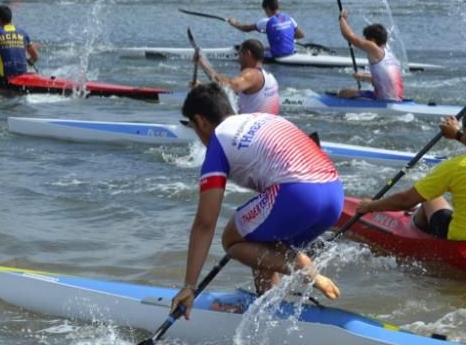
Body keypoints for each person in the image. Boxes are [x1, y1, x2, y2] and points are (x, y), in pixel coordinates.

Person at [170, 83, 343, 321]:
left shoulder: (219, 142)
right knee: (259, 241)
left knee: (232, 238)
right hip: (334, 193)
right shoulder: (264, 118)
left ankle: (304, 269)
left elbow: (205, 222)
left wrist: (189, 285)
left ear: (200, 121)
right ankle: (271, 308)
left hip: (298, 195)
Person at [356, 115, 464, 241]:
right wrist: (458, 135)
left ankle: (417, 231)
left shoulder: (455, 167)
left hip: (458, 239)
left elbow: (405, 201)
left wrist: (370, 206)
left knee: (430, 197)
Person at [195, 38, 280, 114]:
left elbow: (230, 86)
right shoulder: (270, 78)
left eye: (239, 55)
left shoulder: (253, 74)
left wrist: (203, 64)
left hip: (250, 128)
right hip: (267, 124)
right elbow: (225, 90)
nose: (238, 59)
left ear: (247, 54)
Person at [336, 8, 403, 101]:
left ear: (373, 40)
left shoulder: (373, 47)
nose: (365, 42)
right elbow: (384, 81)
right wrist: (362, 77)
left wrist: (342, 18)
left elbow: (350, 37)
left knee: (343, 93)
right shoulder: (389, 54)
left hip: (383, 100)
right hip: (397, 99)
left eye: (366, 39)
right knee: (355, 92)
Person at [228, 0, 305, 59]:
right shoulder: (289, 18)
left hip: (277, 54)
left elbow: (246, 29)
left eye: (265, 10)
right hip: (291, 52)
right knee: (265, 48)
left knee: (251, 51)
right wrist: (281, 34)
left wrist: (233, 23)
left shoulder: (266, 21)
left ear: (267, 8)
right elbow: (301, 35)